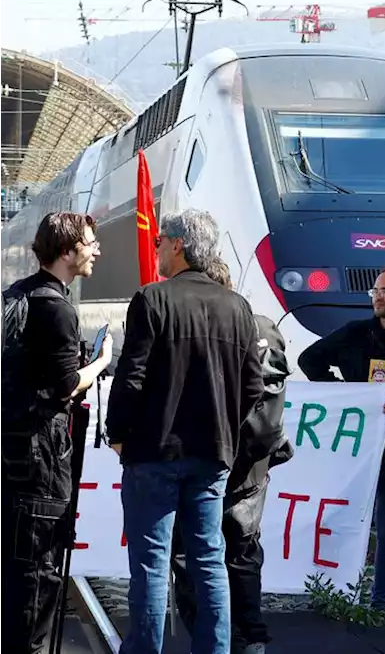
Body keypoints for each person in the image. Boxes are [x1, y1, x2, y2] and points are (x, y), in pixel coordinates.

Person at [107, 210, 265, 654]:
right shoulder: (238, 307)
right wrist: (225, 428)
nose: (156, 247)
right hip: (213, 454)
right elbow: (254, 384)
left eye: (160, 240)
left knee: (152, 563)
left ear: (178, 244)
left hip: (154, 452)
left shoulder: (152, 300)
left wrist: (117, 432)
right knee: (209, 560)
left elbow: (131, 376)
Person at [0, 212, 111, 654]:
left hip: (10, 455)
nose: (96, 250)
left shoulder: (18, 295)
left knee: (12, 571)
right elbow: (67, 384)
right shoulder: (58, 308)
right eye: (89, 243)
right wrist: (101, 361)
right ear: (67, 252)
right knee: (38, 574)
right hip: (41, 462)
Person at [172, 258, 293, 654]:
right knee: (241, 551)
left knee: (193, 555)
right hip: (251, 464)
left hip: (210, 457)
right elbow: (272, 397)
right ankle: (249, 636)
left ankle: (218, 638)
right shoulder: (263, 327)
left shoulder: (207, 328)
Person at [297, 267, 385, 614]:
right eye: (375, 290)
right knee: (340, 519)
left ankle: (380, 604)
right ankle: (332, 593)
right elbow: (308, 359)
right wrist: (344, 393)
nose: (377, 296)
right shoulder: (356, 333)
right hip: (355, 447)